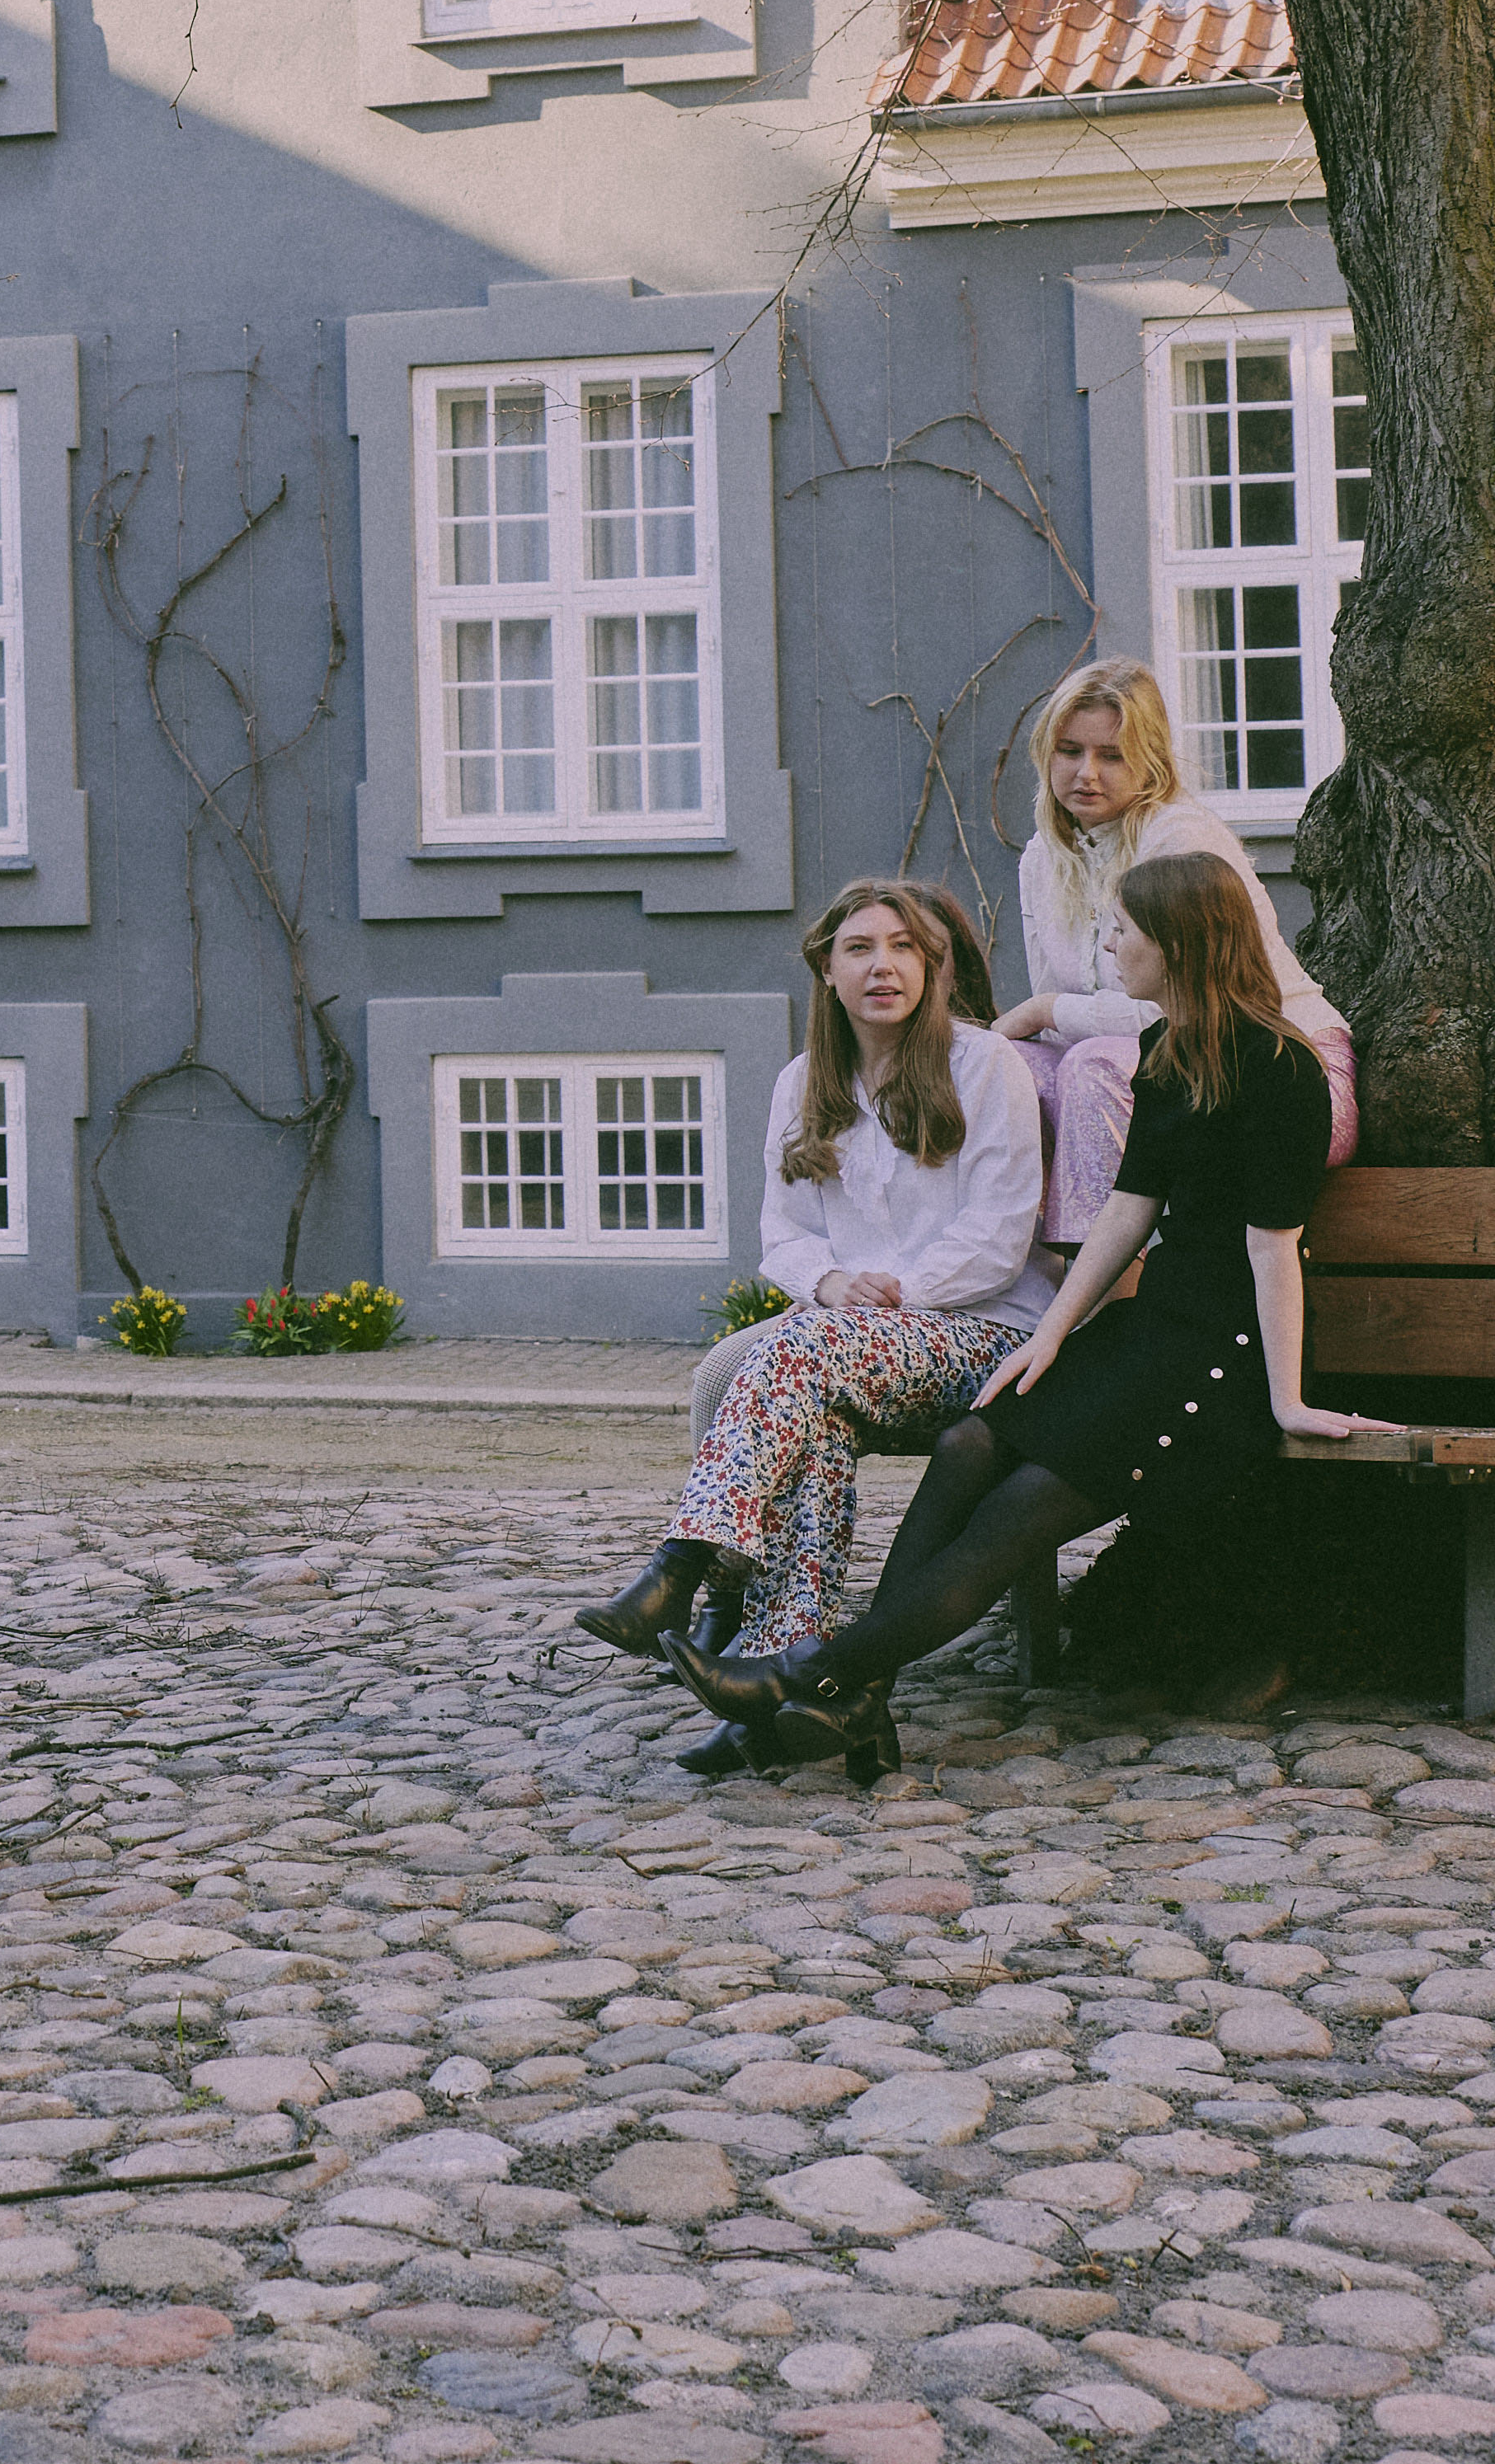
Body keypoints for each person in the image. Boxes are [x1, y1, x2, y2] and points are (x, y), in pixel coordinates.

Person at [668, 845, 1373, 1783]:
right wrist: (1047, 1338)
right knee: (969, 1441)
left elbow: (1272, 1248)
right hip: (1149, 1333)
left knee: (1013, 1514)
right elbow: (1127, 1213)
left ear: (1178, 942)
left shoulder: (1281, 1068)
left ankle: (810, 1677)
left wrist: (1285, 1399)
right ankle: (853, 1697)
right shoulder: (1165, 1052)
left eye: (1123, 931)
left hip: (1220, 1358)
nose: (1110, 947)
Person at [567, 880, 1046, 1763]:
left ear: (931, 967)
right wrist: (828, 1281)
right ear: (827, 969)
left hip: (987, 1337)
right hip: (844, 1346)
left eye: (903, 947)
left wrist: (884, 1294)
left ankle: (683, 1567)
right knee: (814, 1429)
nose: (883, 966)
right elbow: (781, 1233)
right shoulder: (802, 1082)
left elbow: (1000, 1235)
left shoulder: (984, 1064)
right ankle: (783, 1693)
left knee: (801, 1347)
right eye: (859, 948)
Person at [994, 657, 1356, 1242]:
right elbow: (1059, 1012)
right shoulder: (1043, 856)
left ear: (1151, 761)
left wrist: (1046, 1011)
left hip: (1281, 1076)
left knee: (1092, 1067)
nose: (1087, 773)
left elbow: (1189, 1012)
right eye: (1070, 751)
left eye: (1112, 756)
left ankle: (1105, 1287)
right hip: (1171, 1073)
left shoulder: (1180, 837)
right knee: (1010, 1070)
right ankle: (1019, 1273)